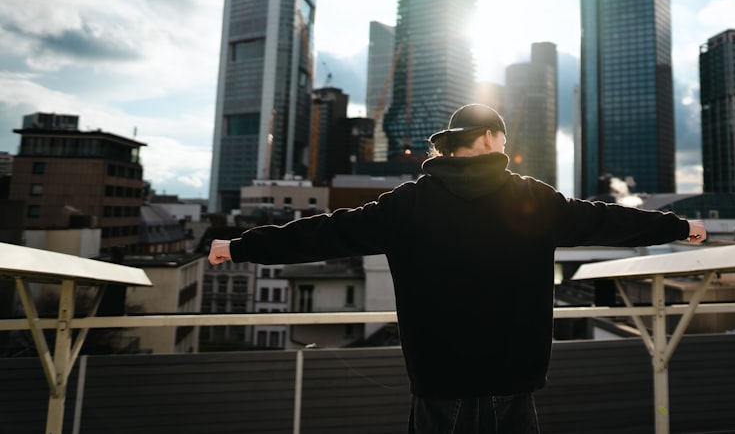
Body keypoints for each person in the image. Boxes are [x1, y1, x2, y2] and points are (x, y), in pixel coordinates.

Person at [210, 103, 706, 433]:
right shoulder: (532, 198)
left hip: (437, 375)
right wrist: (677, 227)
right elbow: (605, 222)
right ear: (491, 139)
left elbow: (322, 233)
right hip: (513, 372)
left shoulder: (405, 205)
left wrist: (238, 247)